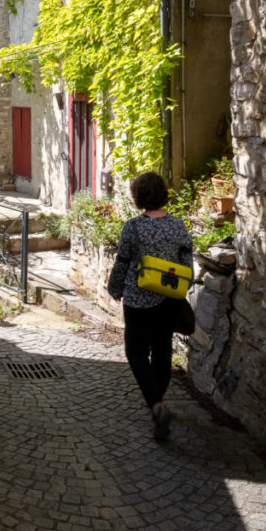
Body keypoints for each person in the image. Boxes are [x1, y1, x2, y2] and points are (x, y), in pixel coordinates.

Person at [107, 171, 193, 440]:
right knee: (162, 351)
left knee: (135, 352)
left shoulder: (133, 227)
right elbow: (187, 265)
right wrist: (182, 287)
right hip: (167, 299)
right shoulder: (177, 226)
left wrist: (115, 288)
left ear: (138, 197)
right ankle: (159, 402)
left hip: (138, 299)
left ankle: (157, 403)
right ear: (163, 195)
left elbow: (122, 262)